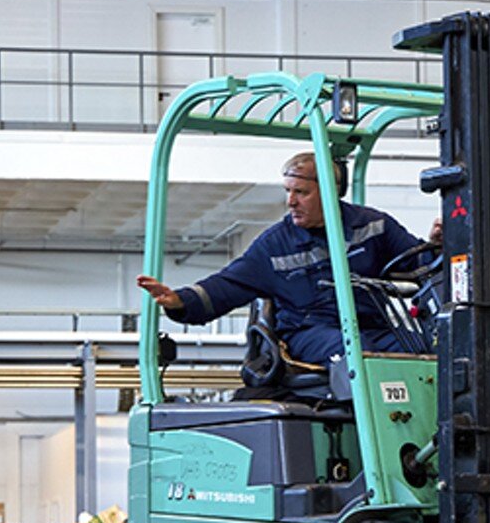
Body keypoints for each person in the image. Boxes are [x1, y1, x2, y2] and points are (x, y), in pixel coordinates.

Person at [136, 151, 439, 367]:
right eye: (288, 191)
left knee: (432, 350)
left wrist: (438, 247)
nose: (290, 202)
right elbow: (226, 285)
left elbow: (419, 264)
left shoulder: (374, 226)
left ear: (330, 192)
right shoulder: (274, 246)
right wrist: (181, 301)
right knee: (357, 357)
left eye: (301, 192)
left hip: (371, 327)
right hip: (309, 333)